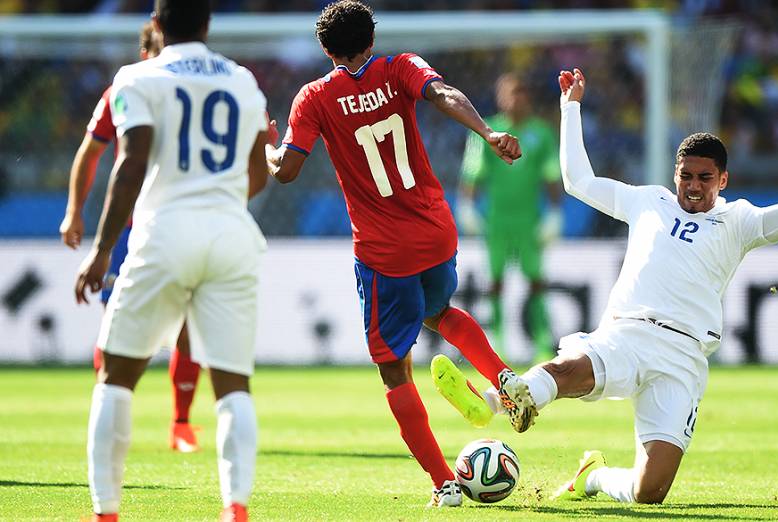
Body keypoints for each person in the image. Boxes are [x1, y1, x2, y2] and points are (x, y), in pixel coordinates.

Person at [438, 69, 778, 504]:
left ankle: (590, 476)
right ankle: (497, 401)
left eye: (704, 178)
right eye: (686, 176)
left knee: (649, 493)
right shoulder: (649, 201)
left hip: (684, 357)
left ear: (723, 180)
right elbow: (578, 182)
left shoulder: (740, 220)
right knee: (570, 370)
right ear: (675, 174)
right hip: (627, 332)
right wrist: (571, 108)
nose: (694, 187)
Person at [265, 0, 533, 508]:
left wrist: (266, 149)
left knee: (394, 369)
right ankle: (501, 375)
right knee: (438, 312)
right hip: (435, 231)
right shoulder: (401, 67)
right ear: (372, 38)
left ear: (326, 49)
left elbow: (287, 171)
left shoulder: (315, 97)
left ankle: (444, 484)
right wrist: (488, 132)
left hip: (384, 252)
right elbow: (444, 94)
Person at [74, 1, 271, 519]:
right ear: (208, 24)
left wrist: (100, 250)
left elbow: (132, 161)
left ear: (157, 25)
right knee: (233, 384)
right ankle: (235, 508)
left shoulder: (138, 77)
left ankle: (106, 511)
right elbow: (257, 176)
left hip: (164, 232)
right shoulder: (243, 80)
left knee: (116, 376)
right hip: (232, 234)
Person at [59, 21, 202, 454]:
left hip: (183, 221)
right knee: (116, 326)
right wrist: (74, 211)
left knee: (188, 327)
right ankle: (110, 411)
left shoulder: (196, 93)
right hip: (130, 229)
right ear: (146, 53)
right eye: (158, 51)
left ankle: (181, 422)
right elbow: (90, 151)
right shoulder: (123, 91)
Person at [457, 73, 562, 363]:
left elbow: (552, 176)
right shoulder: (487, 131)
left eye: (520, 93)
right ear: (500, 98)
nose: (515, 99)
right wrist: (467, 205)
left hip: (529, 221)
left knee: (536, 281)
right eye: (509, 93)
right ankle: (499, 344)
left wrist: (554, 213)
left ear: (527, 97)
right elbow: (472, 172)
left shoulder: (541, 134)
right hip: (496, 221)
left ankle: (542, 343)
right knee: (495, 282)